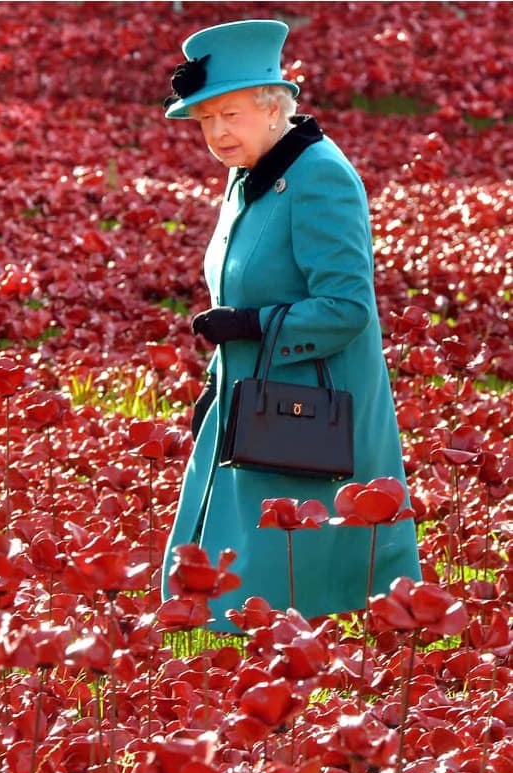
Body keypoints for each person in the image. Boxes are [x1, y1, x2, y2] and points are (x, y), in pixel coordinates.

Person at [161, 19, 421, 631]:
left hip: (309, 411)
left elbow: (349, 308)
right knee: (250, 574)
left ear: (274, 106)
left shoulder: (319, 176)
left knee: (286, 578)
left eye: (231, 114)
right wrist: (215, 382)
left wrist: (251, 325)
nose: (218, 132)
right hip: (253, 398)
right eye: (205, 120)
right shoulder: (248, 172)